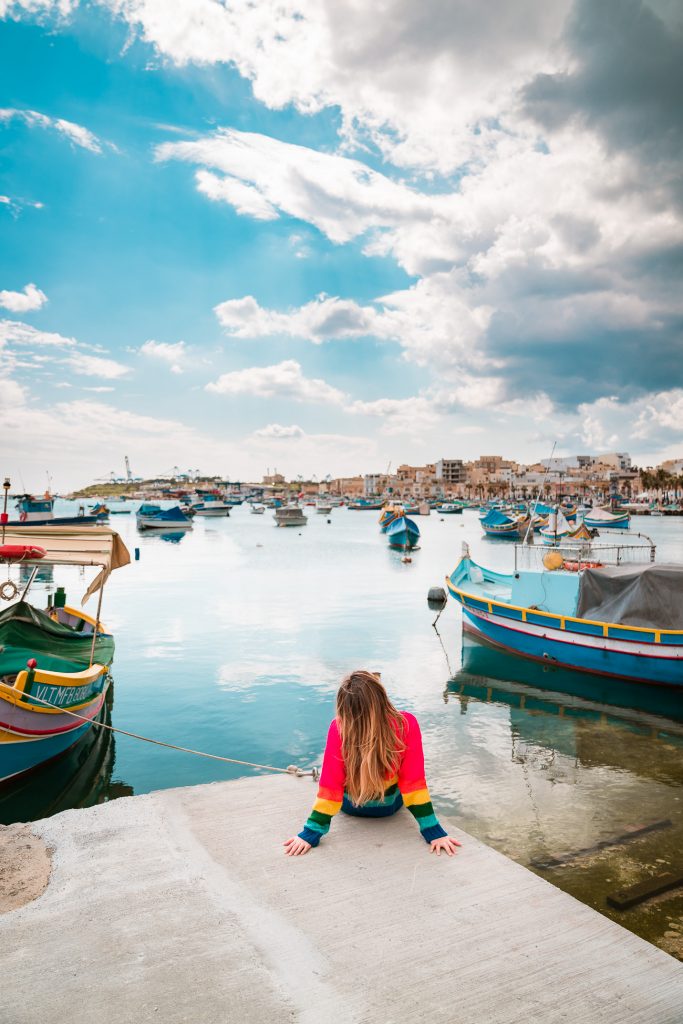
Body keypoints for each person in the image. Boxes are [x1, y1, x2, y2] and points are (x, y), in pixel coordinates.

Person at [284, 670, 461, 857]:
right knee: (404, 779)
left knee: (333, 774)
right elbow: (413, 783)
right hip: (389, 807)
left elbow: (331, 785)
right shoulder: (406, 724)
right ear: (382, 697)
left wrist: (310, 833)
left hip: (351, 807)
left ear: (343, 707)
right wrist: (432, 831)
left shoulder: (338, 727)